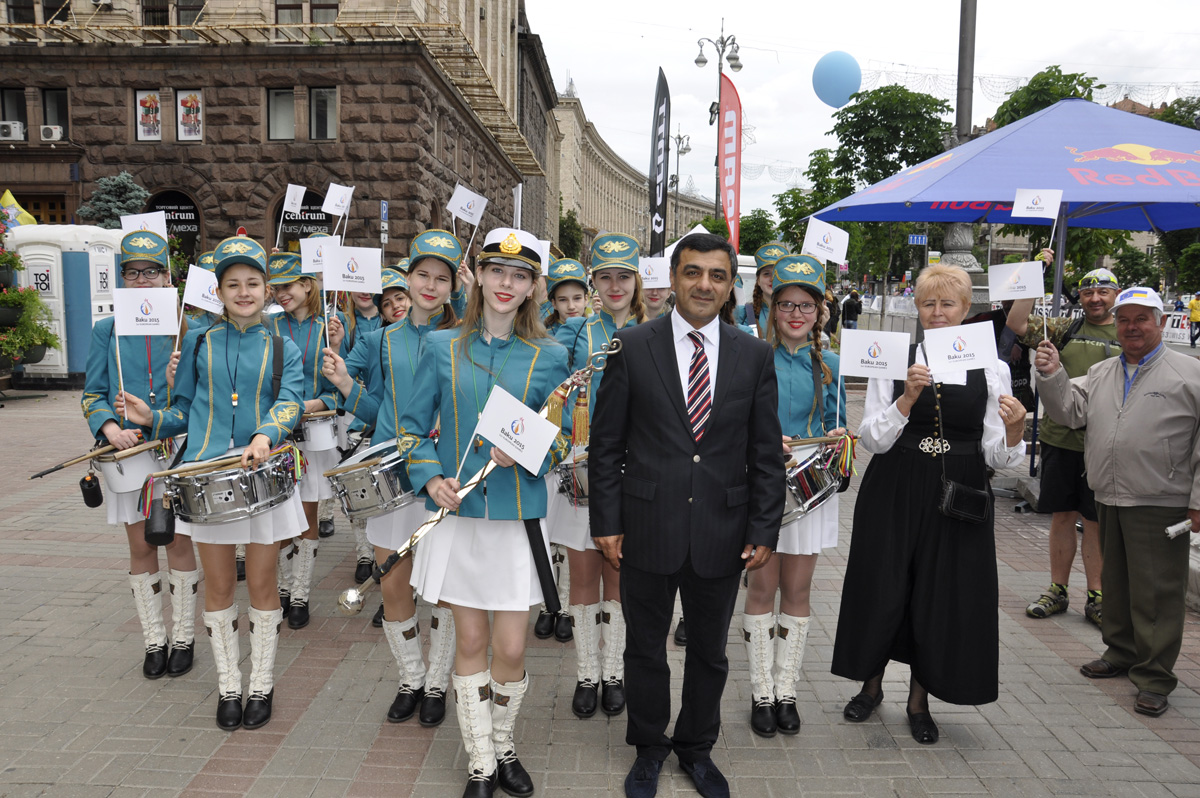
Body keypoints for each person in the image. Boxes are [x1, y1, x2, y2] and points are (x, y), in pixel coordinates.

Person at [589, 231, 785, 798]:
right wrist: (606, 521)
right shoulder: (632, 345)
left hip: (723, 533)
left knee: (709, 653)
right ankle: (649, 746)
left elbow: (765, 451)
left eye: (717, 276)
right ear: (672, 279)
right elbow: (606, 445)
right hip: (646, 527)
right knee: (644, 648)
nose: (704, 284)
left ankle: (696, 747)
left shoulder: (754, 355)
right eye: (693, 272)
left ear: (731, 287)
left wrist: (763, 527)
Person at [399, 227, 570, 798]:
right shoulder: (441, 346)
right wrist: (430, 477)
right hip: (461, 514)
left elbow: (567, 441)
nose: (507, 283)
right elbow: (409, 430)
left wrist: (528, 448)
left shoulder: (550, 355)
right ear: (479, 278)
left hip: (519, 516)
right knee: (470, 642)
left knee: (514, 648)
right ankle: (480, 761)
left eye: (520, 276)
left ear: (531, 288)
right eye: (498, 271)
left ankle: (504, 743)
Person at [832, 264, 1025, 746]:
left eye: (948, 304)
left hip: (958, 488)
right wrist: (906, 399)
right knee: (884, 583)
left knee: (940, 593)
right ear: (916, 307)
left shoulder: (992, 366)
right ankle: (870, 686)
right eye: (927, 304)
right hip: (895, 483)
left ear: (965, 310)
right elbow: (873, 439)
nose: (937, 313)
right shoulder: (896, 356)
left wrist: (1018, 430)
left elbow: (996, 453)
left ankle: (920, 700)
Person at [117, 235, 306, 730]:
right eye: (233, 284)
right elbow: (183, 411)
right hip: (206, 478)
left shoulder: (281, 345)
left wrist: (266, 434)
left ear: (267, 289)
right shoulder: (198, 340)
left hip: (261, 473)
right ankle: (229, 685)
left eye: (253, 283)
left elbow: (289, 401)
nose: (244, 292)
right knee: (219, 585)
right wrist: (151, 417)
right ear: (218, 291)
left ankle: (261, 683)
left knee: (263, 582)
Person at [1034, 286, 1200, 717]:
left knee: (1158, 594)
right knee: (1119, 584)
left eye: (1142, 319)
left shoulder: (1189, 373)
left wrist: (1198, 500)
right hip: (1108, 492)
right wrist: (1051, 375)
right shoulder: (1105, 370)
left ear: (1162, 323)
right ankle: (1121, 652)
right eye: (1125, 319)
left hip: (1160, 499)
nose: (1132, 327)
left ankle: (1156, 677)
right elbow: (1068, 412)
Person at [325, 233, 467, 730]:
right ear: (407, 280)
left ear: (453, 286)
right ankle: (411, 677)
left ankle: (437, 682)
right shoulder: (384, 339)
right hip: (391, 474)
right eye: (422, 275)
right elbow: (380, 411)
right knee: (393, 584)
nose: (430, 285)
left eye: (441, 277)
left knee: (447, 588)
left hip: (442, 478)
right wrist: (346, 385)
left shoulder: (466, 336)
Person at [81, 230, 199, 680]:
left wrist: (156, 418)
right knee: (141, 543)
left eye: (153, 272)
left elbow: (194, 407)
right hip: (127, 455)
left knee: (179, 540)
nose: (143, 280)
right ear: (123, 278)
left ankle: (184, 637)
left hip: (176, 451)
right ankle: (155, 639)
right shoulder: (105, 330)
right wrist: (109, 426)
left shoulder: (188, 328)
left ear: (168, 278)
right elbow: (92, 393)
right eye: (134, 272)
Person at [741, 254, 846, 739]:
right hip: (759, 486)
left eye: (807, 306)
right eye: (787, 304)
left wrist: (837, 436)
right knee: (762, 588)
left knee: (798, 592)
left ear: (820, 311)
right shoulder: (747, 355)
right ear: (771, 304)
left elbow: (834, 425)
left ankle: (788, 692)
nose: (796, 315)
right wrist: (762, 442)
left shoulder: (832, 364)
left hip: (809, 488)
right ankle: (761, 693)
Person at [552, 233, 647, 719]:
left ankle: (615, 672)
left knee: (619, 572)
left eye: (623, 277)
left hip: (636, 469)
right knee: (583, 575)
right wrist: (568, 436)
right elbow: (553, 395)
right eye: (605, 276)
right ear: (593, 282)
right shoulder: (572, 333)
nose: (614, 286)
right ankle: (587, 674)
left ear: (637, 280)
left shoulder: (657, 331)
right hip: (582, 466)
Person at [1008, 267, 1121, 626]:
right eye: (1089, 292)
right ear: (1081, 297)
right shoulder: (1063, 328)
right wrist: (1033, 274)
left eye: (1104, 292)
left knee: (1095, 521)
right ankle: (1057, 589)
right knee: (1062, 516)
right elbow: (1016, 322)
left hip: (1105, 444)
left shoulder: (1127, 332)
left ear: (1115, 295)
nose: (1096, 298)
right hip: (1059, 438)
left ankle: (1097, 595)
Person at [265, 252, 344, 629]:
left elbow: (339, 385)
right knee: (279, 512)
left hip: (313, 430)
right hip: (277, 433)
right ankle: (281, 586)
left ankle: (300, 593)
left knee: (308, 514)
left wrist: (314, 402)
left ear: (307, 285)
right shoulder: (268, 325)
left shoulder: (329, 326)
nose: (281, 294)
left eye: (288, 287)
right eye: (276, 288)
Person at [534, 257, 590, 642]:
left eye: (577, 297)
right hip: (549, 438)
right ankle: (545, 603)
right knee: (546, 527)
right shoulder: (542, 335)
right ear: (552, 302)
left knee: (571, 528)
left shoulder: (590, 334)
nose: (571, 306)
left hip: (581, 439)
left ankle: (566, 605)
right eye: (563, 299)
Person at [734, 241, 789, 336]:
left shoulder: (798, 314)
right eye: (766, 274)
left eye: (777, 274)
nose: (772, 279)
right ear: (758, 280)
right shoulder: (741, 313)